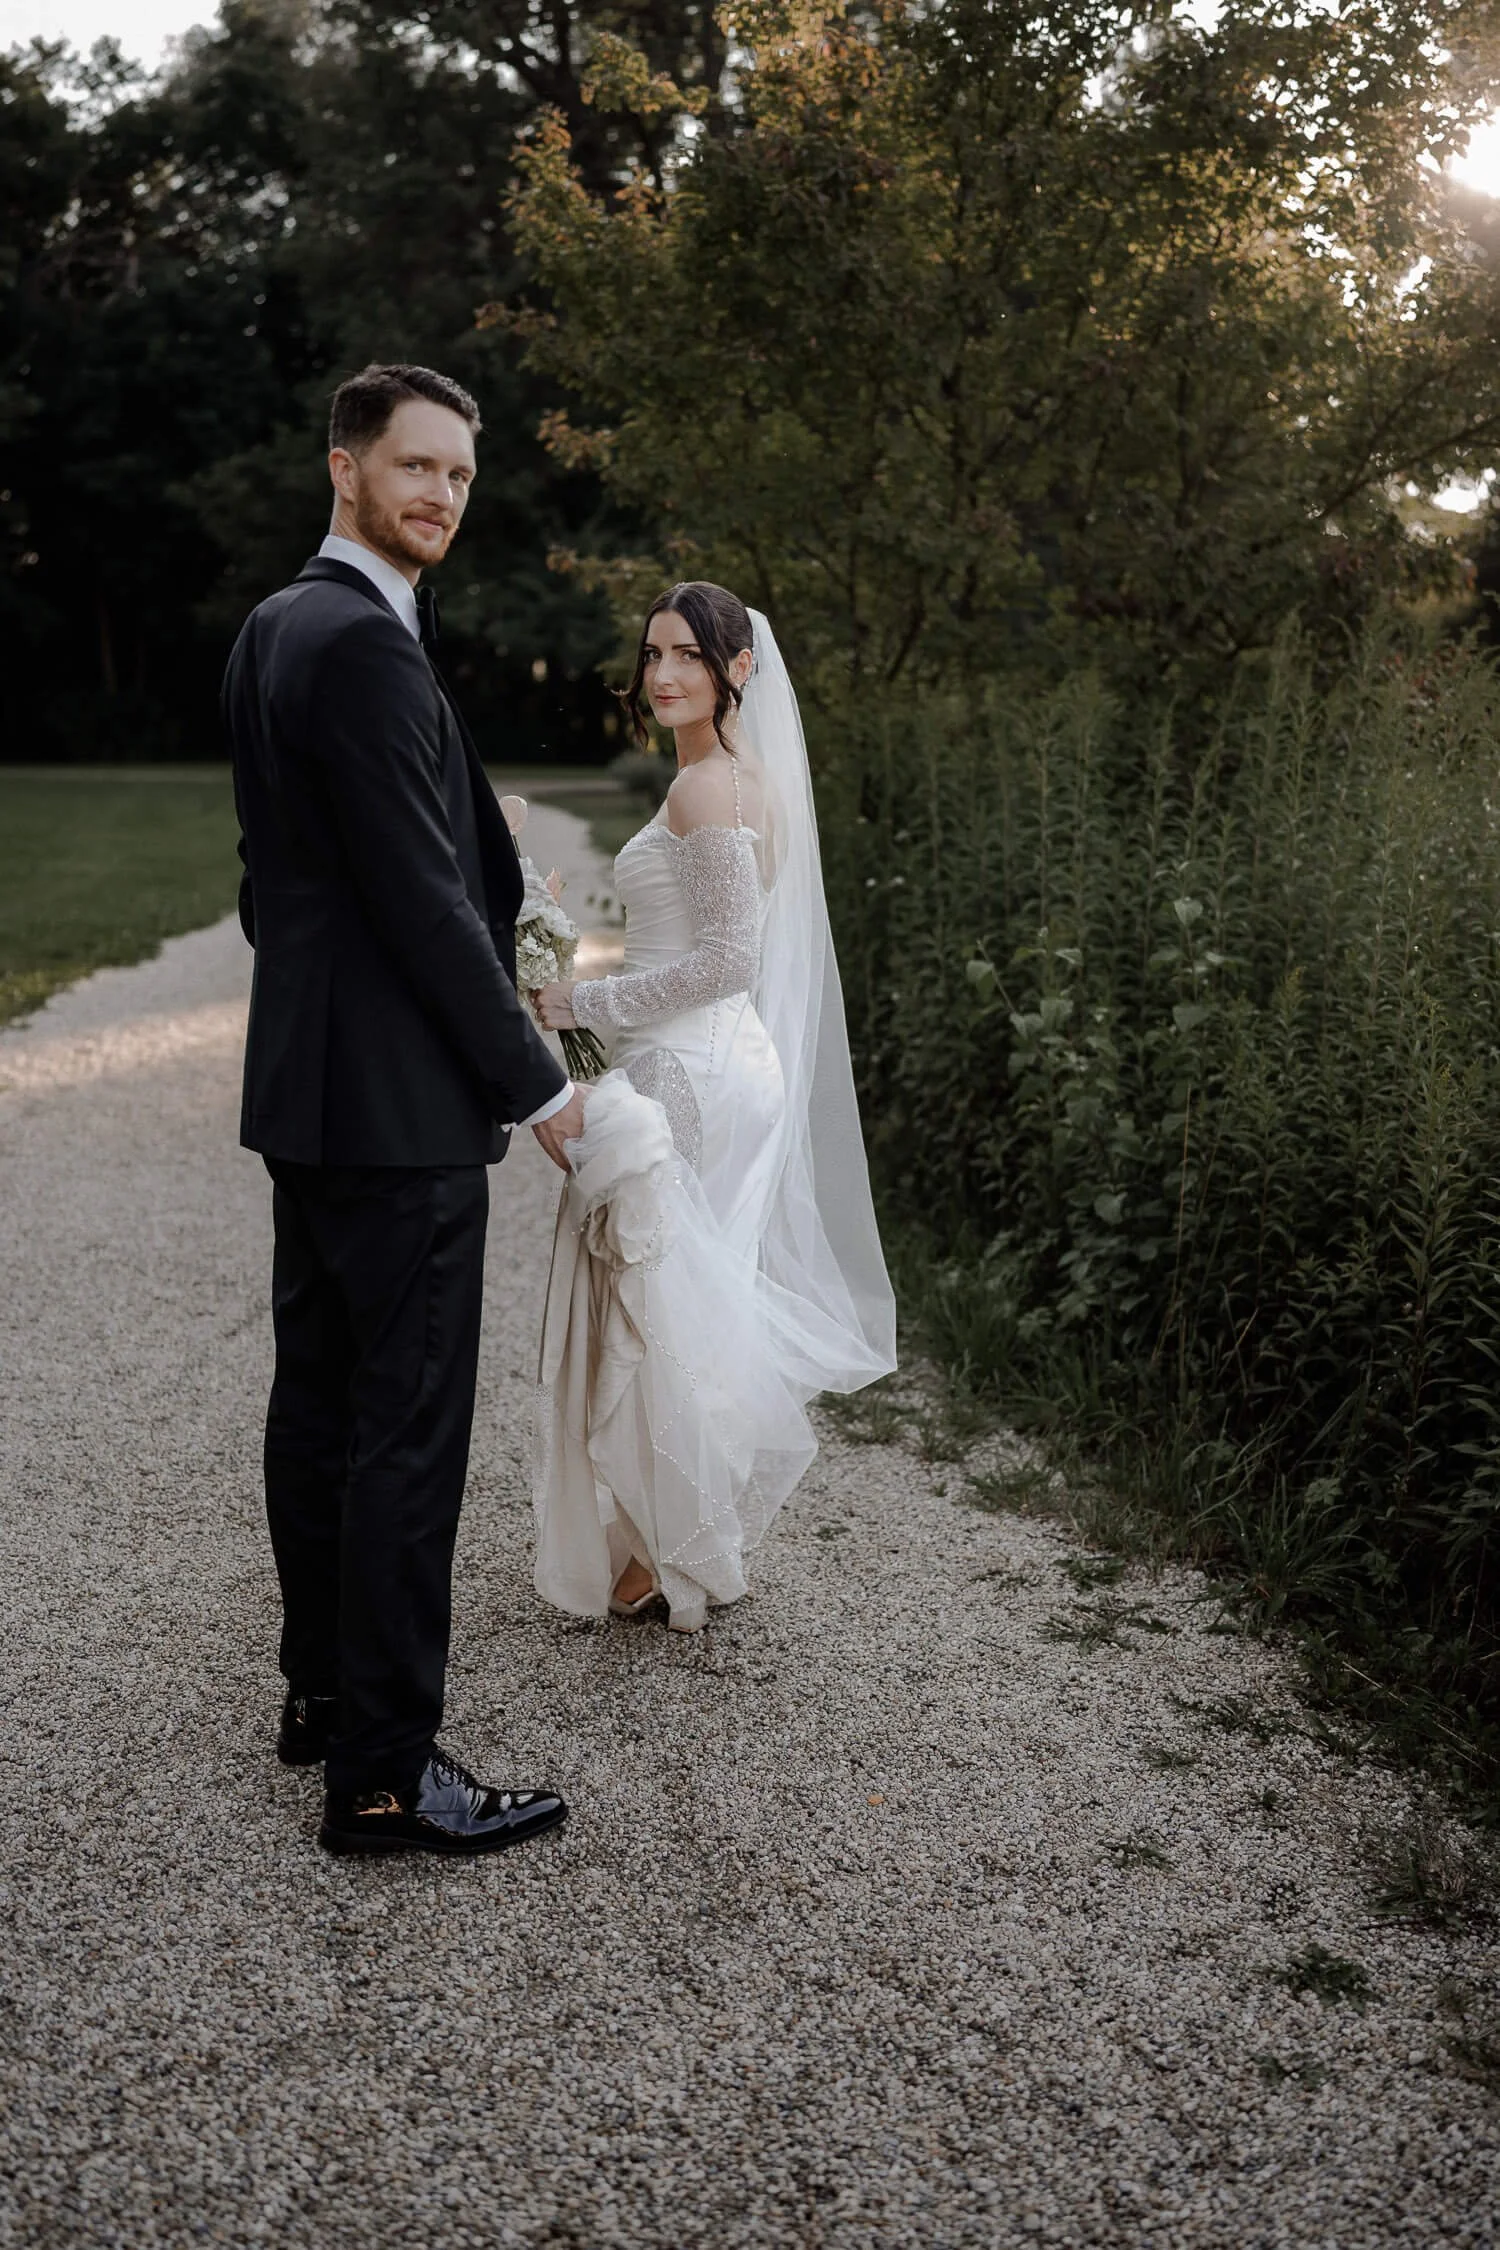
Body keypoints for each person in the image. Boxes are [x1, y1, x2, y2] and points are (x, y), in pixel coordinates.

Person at [223, 362, 584, 1857]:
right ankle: (383, 1771)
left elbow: (285, 880)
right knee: (404, 1430)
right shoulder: (362, 641)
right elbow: (424, 906)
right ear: (346, 467)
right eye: (415, 466)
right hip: (400, 1108)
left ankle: (322, 1694)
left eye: (459, 476)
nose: (440, 494)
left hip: (312, 1091)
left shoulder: (279, 625)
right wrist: (541, 1082)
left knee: (321, 1407)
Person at [531, 583, 897, 1632]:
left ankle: (672, 1552)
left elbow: (729, 961)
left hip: (693, 1070)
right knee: (688, 1299)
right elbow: (703, 946)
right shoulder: (728, 781)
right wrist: (564, 941)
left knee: (661, 1305)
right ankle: (678, 1544)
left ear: (738, 668)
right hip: (717, 1060)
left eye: (688, 655)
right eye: (653, 655)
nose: (663, 676)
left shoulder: (709, 792)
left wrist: (576, 997)